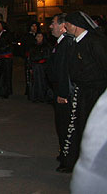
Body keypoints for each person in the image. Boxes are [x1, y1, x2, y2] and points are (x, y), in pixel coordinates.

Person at [59, 11, 107, 172]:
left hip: (95, 92)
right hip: (82, 92)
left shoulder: (94, 42)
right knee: (81, 127)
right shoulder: (76, 42)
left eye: (67, 24)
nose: (64, 26)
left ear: (75, 25)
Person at [47, 13, 75, 166]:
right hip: (59, 89)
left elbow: (65, 71)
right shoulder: (60, 43)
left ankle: (68, 159)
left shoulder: (66, 44)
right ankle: (64, 153)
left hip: (63, 93)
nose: (51, 26)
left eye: (53, 23)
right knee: (61, 125)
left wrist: (63, 93)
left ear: (63, 27)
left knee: (65, 126)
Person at [28, 32, 52, 103]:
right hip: (35, 66)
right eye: (38, 36)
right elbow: (30, 57)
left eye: (40, 36)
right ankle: (35, 96)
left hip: (42, 66)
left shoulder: (46, 46)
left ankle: (43, 97)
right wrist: (30, 67)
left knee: (42, 81)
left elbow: (47, 56)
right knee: (34, 81)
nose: (39, 38)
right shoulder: (33, 46)